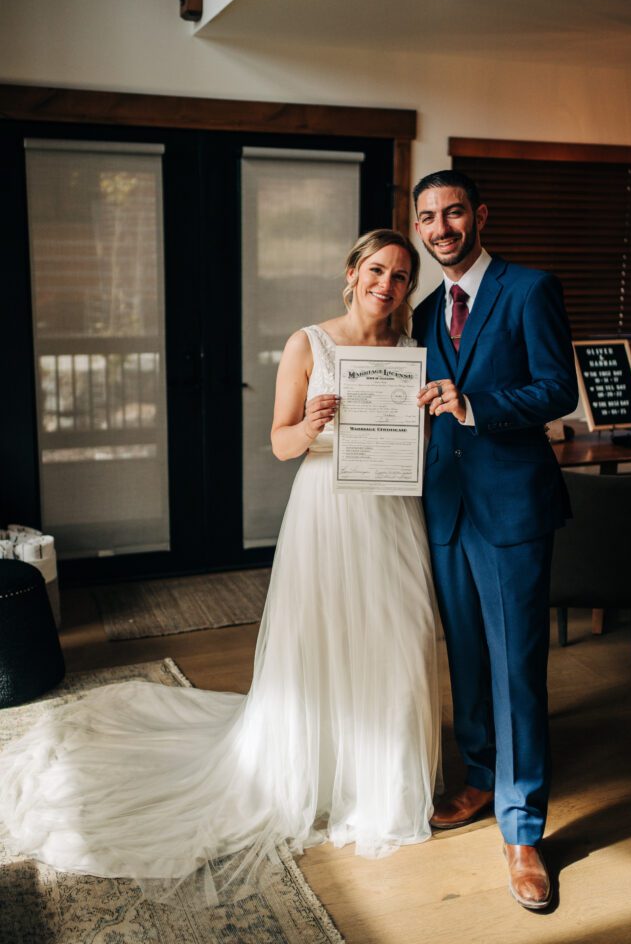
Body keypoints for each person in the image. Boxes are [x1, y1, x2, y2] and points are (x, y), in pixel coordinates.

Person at [0, 229, 440, 904]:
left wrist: (424, 419)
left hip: (391, 512)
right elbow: (279, 443)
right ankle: (311, 771)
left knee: (394, 642)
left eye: (402, 276)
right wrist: (313, 424)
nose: (387, 283)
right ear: (350, 273)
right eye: (376, 269)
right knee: (317, 642)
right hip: (327, 514)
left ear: (410, 288)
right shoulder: (309, 343)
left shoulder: (413, 353)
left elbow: (419, 440)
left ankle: (379, 780)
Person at [412, 169, 578, 911]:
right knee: (469, 661)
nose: (440, 228)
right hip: (444, 507)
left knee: (515, 669)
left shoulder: (528, 287)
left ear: (478, 215)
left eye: (451, 213)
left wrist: (474, 405)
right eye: (426, 217)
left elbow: (555, 390)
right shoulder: (419, 312)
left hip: (511, 509)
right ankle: (480, 778)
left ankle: (521, 828)